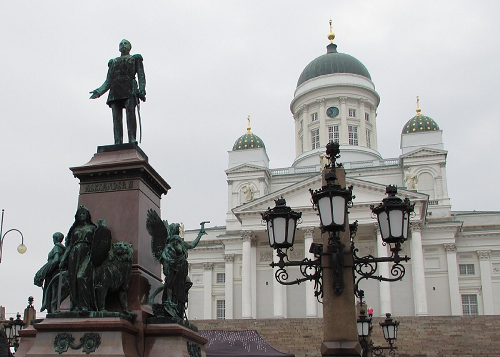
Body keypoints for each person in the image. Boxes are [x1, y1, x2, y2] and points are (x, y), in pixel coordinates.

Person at [90, 39, 146, 145]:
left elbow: (141, 76)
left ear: (130, 47)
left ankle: (132, 138)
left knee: (130, 115)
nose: (123, 45)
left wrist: (142, 90)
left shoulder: (135, 58)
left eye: (125, 43)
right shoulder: (114, 62)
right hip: (115, 91)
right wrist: (99, 91)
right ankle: (118, 141)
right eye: (121, 44)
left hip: (129, 89)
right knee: (116, 118)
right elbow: (108, 80)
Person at [157, 222, 207, 318]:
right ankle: (170, 305)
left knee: (181, 290)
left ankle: (179, 310)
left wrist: (200, 234)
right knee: (171, 287)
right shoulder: (170, 244)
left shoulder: (180, 243)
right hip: (175, 269)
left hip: (182, 270)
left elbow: (192, 245)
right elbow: (165, 255)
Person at [59, 206, 97, 312]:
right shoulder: (74, 229)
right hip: (74, 254)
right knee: (73, 280)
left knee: (81, 277)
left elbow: (96, 243)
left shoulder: (92, 228)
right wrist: (63, 259)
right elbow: (70, 245)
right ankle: (76, 305)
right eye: (79, 214)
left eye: (83, 213)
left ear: (87, 215)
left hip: (87, 253)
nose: (81, 215)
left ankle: (86, 305)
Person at [34, 232, 65, 313]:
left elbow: (56, 260)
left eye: (53, 238)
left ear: (55, 238)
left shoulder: (57, 248)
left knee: (53, 289)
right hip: (54, 271)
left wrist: (47, 270)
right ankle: (52, 308)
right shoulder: (61, 248)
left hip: (53, 272)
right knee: (53, 290)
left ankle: (52, 308)